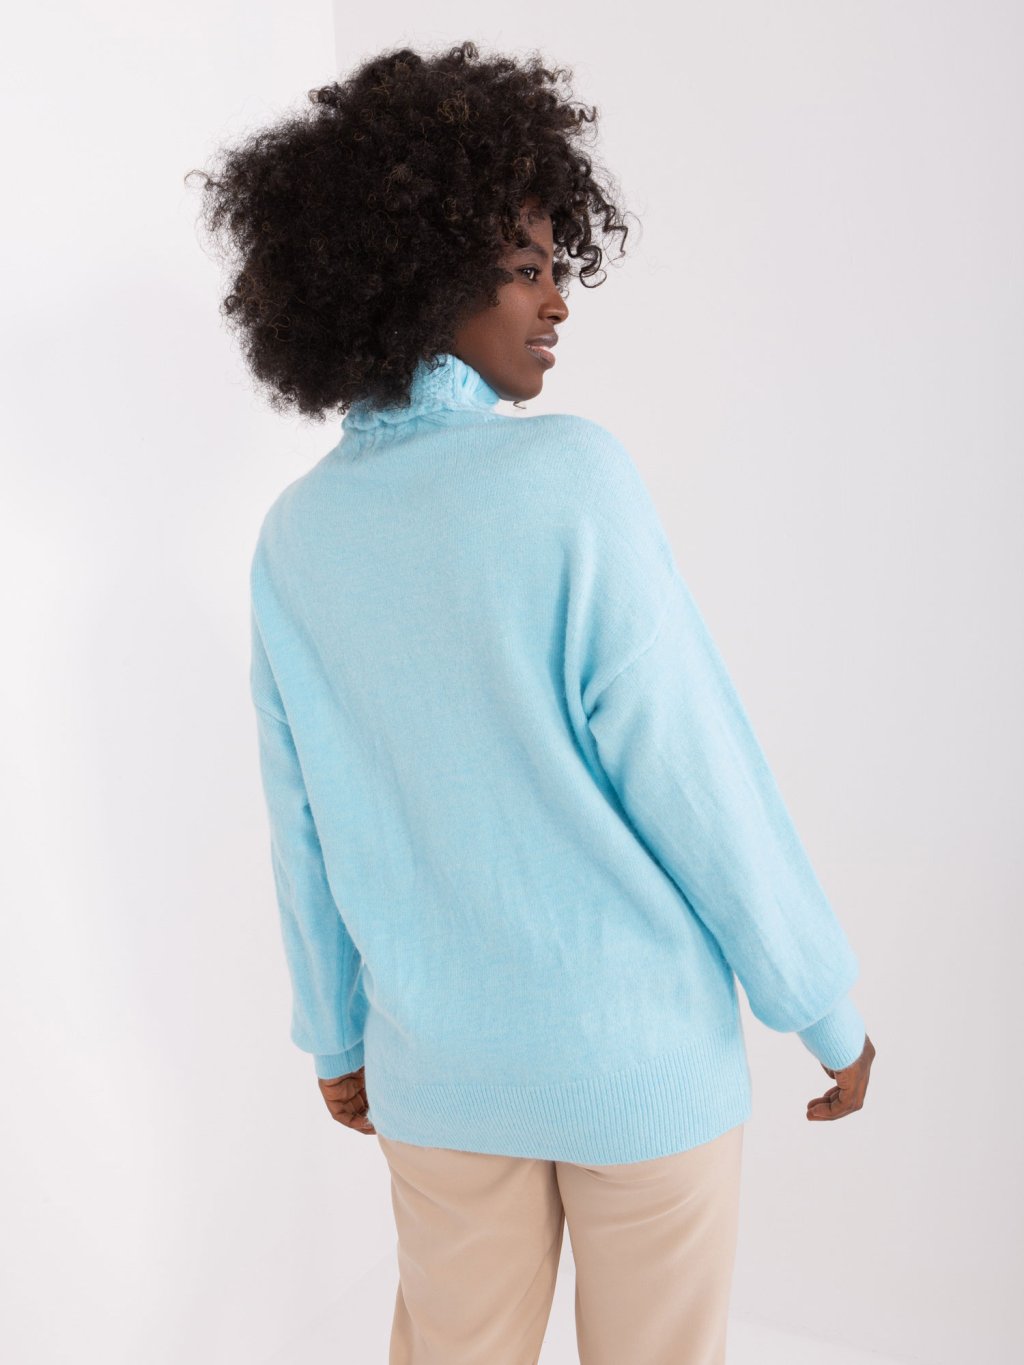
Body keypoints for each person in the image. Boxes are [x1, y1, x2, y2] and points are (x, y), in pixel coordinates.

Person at [189, 39, 875, 1365]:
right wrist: (820, 1004)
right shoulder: (572, 479)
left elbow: (305, 821)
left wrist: (335, 1033)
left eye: (560, 266)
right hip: (640, 1063)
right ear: (425, 272)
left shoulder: (297, 537)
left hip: (439, 1074)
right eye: (527, 266)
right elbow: (693, 772)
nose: (559, 301)